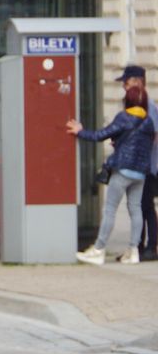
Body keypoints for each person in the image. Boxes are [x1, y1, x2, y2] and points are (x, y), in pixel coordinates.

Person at [69, 84, 155, 265]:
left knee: (110, 210)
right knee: (135, 209)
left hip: (123, 170)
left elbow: (102, 134)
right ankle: (133, 251)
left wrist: (80, 132)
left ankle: (98, 250)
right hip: (140, 173)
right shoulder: (148, 121)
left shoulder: (124, 117)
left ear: (127, 101)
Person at [116, 65, 158, 261]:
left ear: (139, 81)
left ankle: (150, 247)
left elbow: (154, 136)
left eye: (128, 81)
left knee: (146, 206)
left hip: (148, 165)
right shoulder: (134, 104)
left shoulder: (149, 107)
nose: (124, 85)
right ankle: (137, 246)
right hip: (138, 164)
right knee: (137, 206)